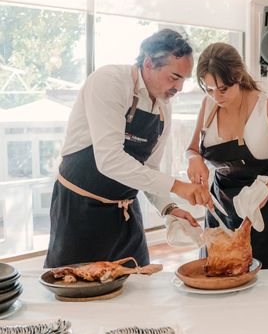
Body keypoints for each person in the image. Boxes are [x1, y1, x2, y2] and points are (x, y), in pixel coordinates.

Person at [45, 29, 214, 268]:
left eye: (184, 79)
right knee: (76, 291)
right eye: (175, 77)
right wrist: (178, 186)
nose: (180, 87)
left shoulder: (164, 108)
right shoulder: (109, 82)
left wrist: (168, 207)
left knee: (138, 289)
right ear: (148, 63)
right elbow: (110, 160)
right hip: (79, 211)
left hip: (125, 216)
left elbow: (148, 169)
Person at [186, 42, 268, 269]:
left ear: (237, 76)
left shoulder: (265, 106)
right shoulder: (208, 106)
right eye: (209, 89)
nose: (216, 96)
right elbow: (192, 149)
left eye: (222, 89)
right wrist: (194, 159)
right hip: (222, 208)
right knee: (222, 276)